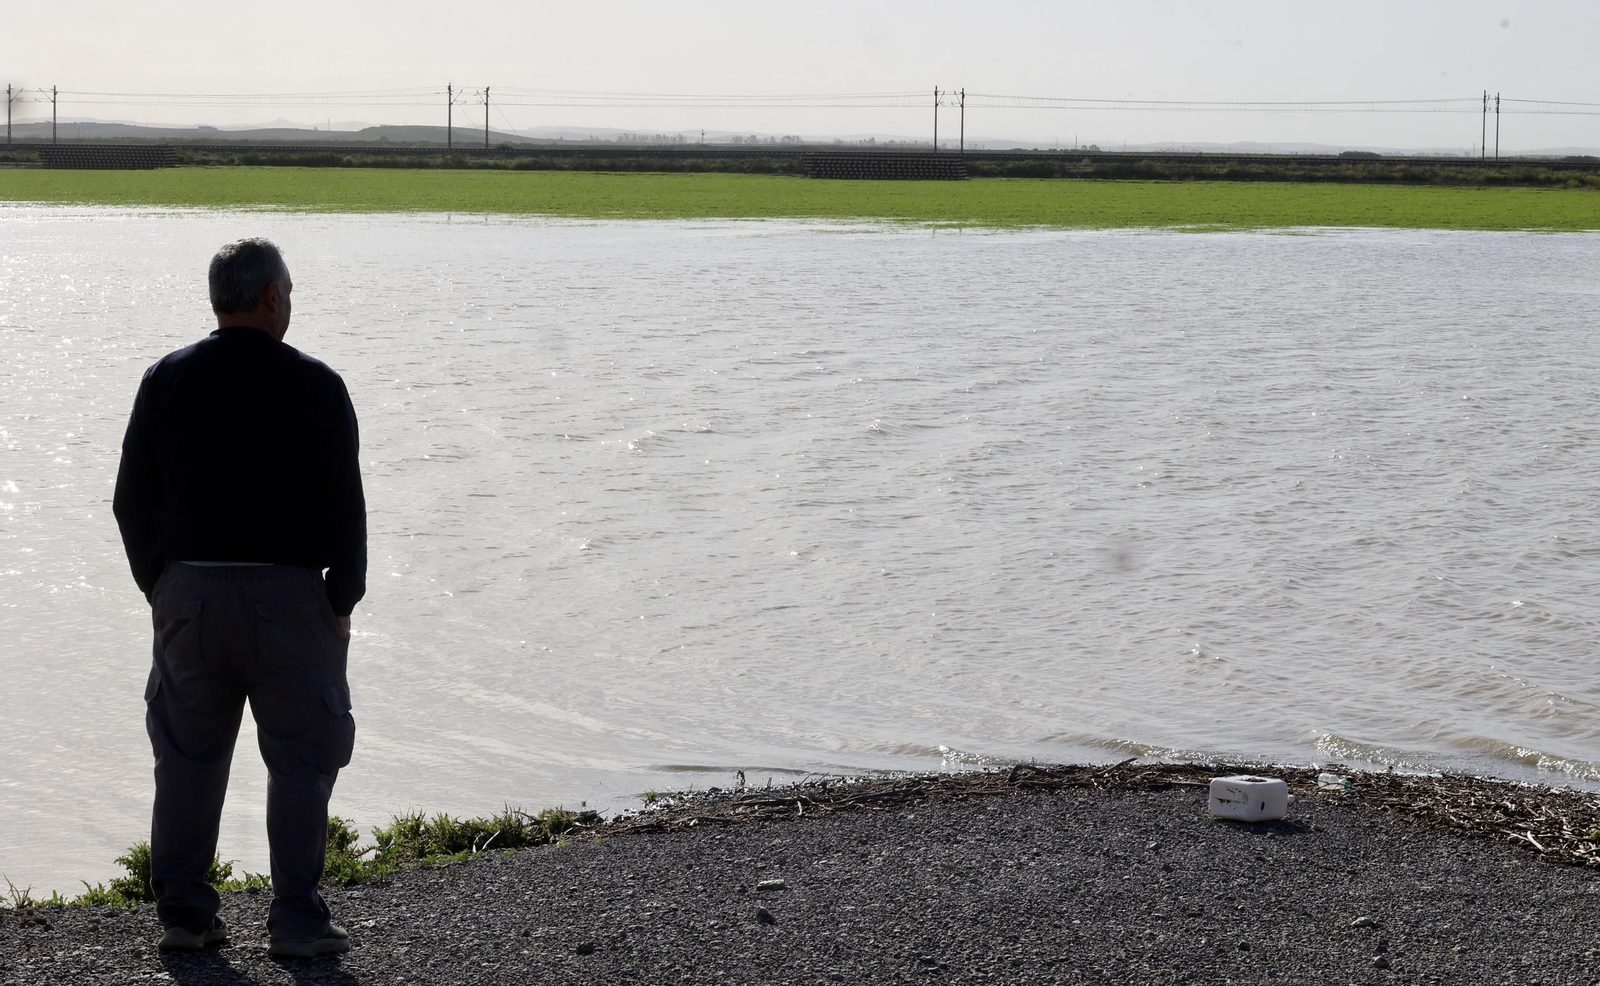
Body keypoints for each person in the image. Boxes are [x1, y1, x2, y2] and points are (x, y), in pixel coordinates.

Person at [112, 237, 366, 958]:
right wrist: (343, 597)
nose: (290, 300)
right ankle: (296, 923)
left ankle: (186, 918)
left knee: (187, 760)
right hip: (290, 599)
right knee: (302, 761)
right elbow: (346, 508)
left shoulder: (166, 377)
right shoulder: (317, 384)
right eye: (289, 289)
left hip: (188, 591)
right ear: (269, 297)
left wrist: (159, 585)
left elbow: (131, 500)